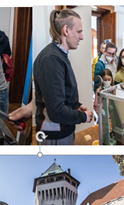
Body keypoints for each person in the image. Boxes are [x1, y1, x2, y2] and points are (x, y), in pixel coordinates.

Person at [33, 9, 93, 145]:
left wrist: (77, 105)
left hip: (61, 130)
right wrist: (83, 117)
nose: (82, 37)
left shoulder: (59, 55)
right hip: (54, 135)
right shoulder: (51, 59)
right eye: (79, 31)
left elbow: (61, 93)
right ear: (66, 30)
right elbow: (56, 111)